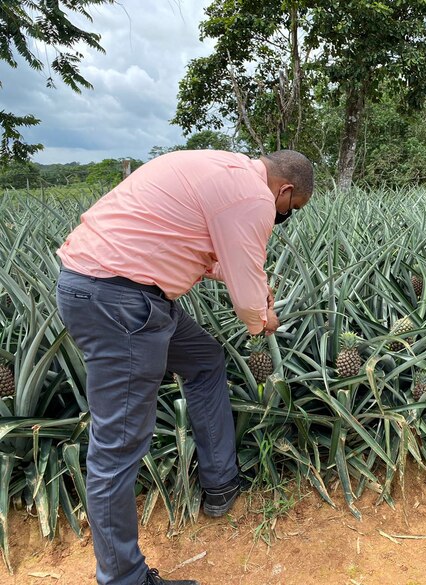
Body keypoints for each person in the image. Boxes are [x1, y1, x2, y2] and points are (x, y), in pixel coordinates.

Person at [56, 149, 314, 585]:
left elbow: (204, 248)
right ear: (284, 189)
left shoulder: (223, 169)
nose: (286, 215)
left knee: (204, 360)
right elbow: (248, 302)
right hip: (121, 301)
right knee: (117, 447)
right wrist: (261, 319)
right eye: (292, 207)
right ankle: (123, 578)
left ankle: (220, 483)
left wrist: (254, 285)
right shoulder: (254, 196)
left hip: (114, 289)